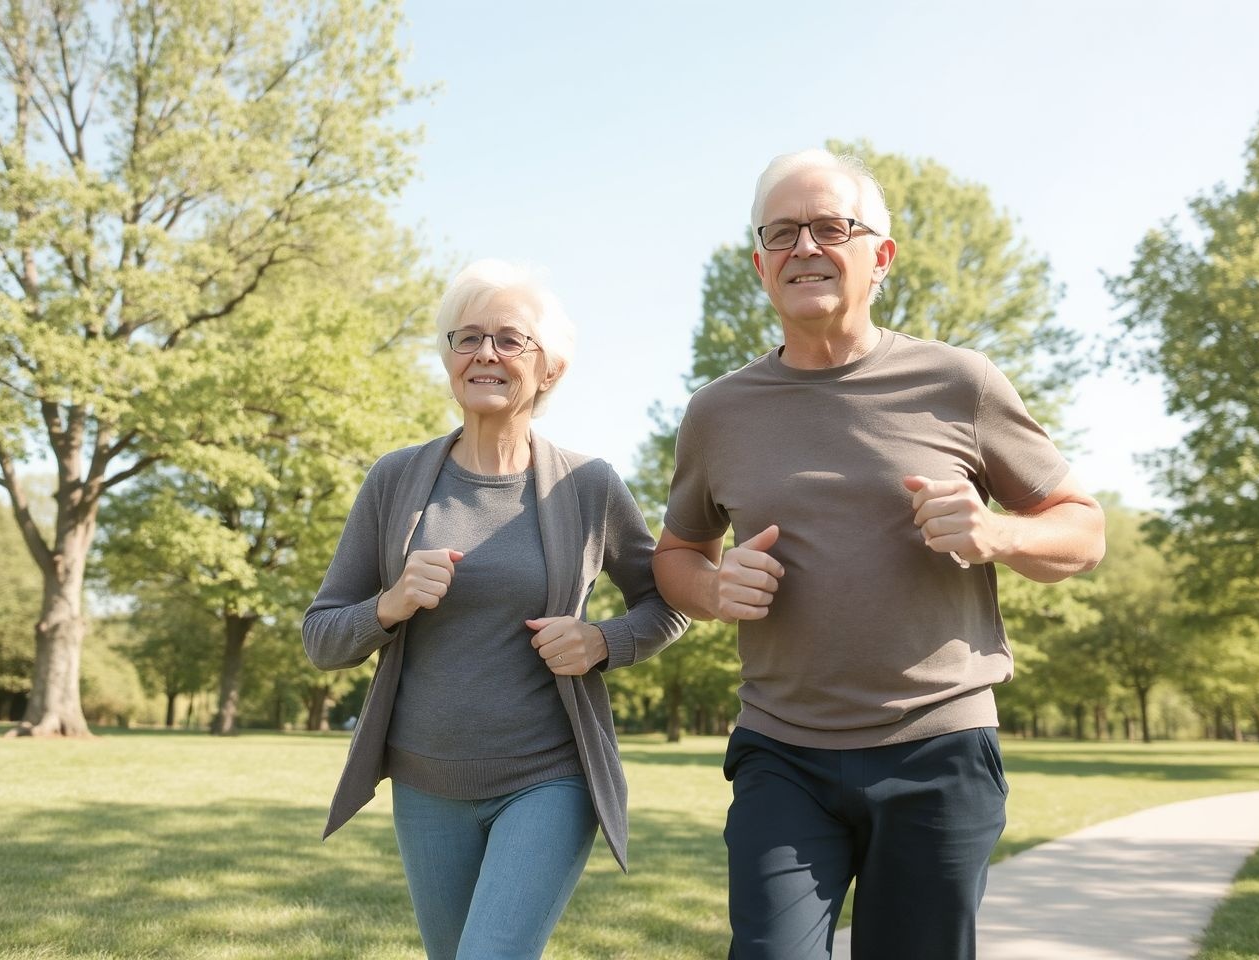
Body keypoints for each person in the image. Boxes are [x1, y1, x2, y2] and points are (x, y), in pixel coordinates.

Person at [652, 149, 1106, 960]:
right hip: (782, 752)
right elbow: (678, 553)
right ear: (760, 263)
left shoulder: (958, 382)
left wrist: (996, 534)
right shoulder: (717, 412)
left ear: (881, 255)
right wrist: (716, 589)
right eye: (781, 233)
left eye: (832, 226)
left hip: (940, 747)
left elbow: (1083, 531)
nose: (804, 248)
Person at [303, 259, 687, 960]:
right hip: (425, 785)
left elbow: (669, 603)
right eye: (467, 337)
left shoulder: (589, 485)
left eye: (511, 339)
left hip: (548, 777)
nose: (486, 353)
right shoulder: (394, 480)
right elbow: (320, 636)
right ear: (448, 360)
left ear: (549, 370)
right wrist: (388, 605)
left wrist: (604, 641)